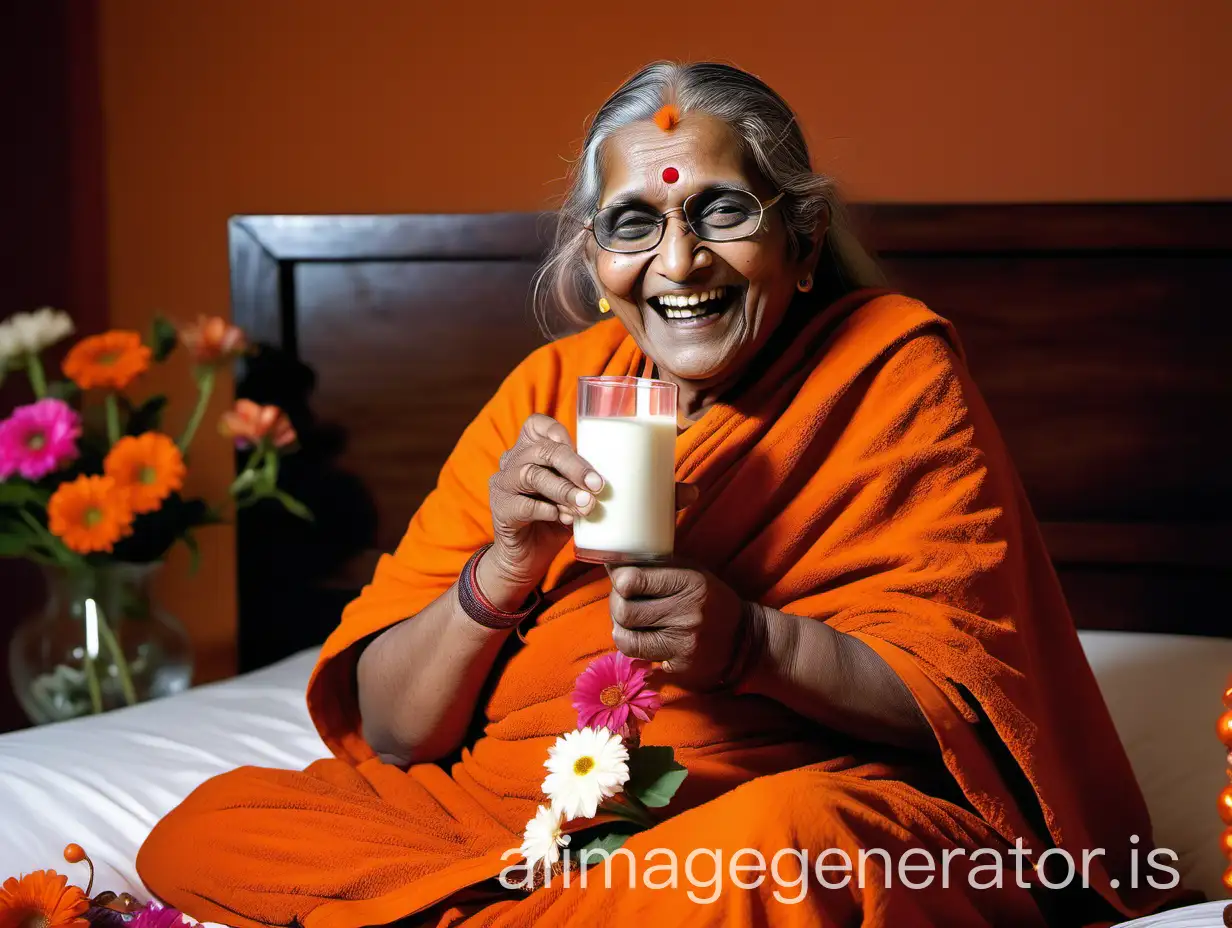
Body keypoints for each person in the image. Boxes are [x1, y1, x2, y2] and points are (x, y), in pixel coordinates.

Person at [137, 61, 1194, 927]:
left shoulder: (888, 364)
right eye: (632, 223)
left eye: (721, 211)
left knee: (791, 847)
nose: (678, 260)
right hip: (518, 824)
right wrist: (499, 571)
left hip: (752, 812)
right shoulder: (551, 387)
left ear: (802, 239)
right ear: (597, 257)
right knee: (208, 827)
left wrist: (754, 646)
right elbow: (398, 733)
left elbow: (968, 702)